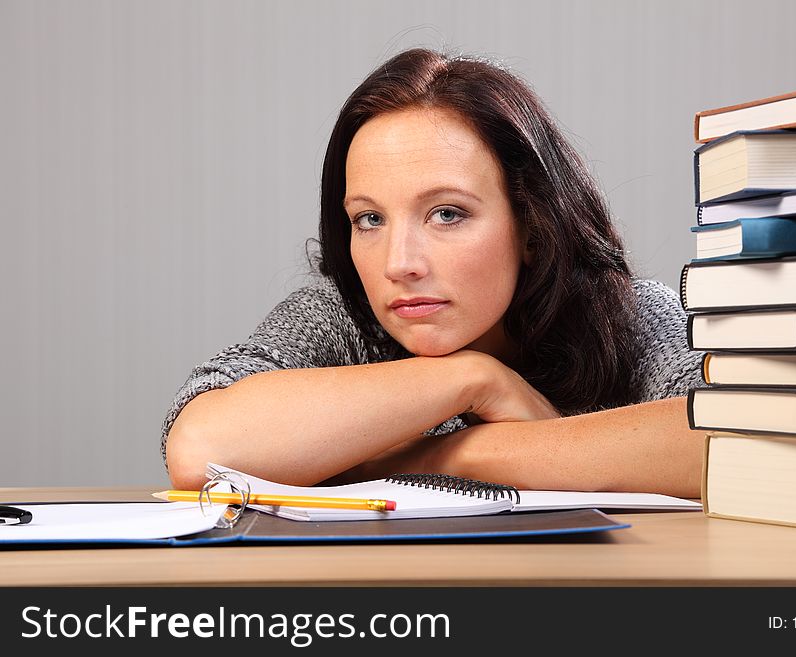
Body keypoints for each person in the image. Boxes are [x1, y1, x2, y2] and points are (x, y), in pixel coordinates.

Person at [163, 47, 705, 497]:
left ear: (533, 226)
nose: (400, 264)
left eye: (447, 214)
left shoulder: (631, 317)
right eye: (369, 219)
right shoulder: (339, 320)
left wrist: (439, 458)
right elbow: (199, 449)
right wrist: (470, 379)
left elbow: (730, 440)